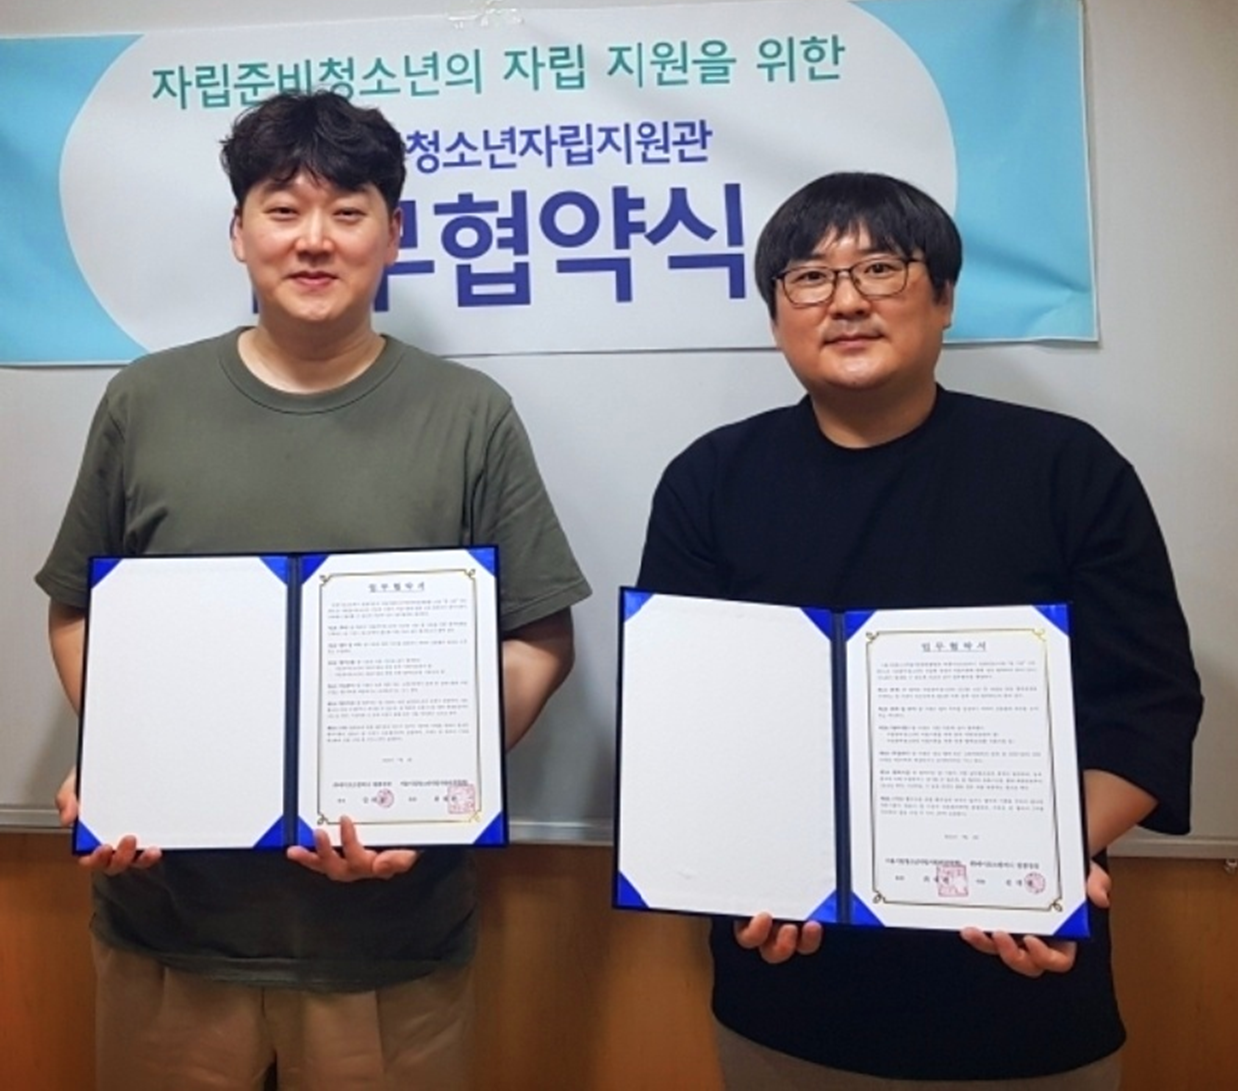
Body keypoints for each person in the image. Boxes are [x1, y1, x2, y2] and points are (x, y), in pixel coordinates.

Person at [37, 90, 590, 1089]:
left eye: (347, 210)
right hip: (172, 928)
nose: (314, 240)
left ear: (394, 233)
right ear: (238, 232)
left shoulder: (468, 414)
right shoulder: (145, 402)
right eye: (284, 209)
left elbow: (537, 637)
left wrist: (432, 795)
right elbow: (78, 609)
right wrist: (124, 757)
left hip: (389, 941)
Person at [636, 172, 1201, 1089]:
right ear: (776, 316)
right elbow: (684, 724)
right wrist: (740, 867)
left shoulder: (1066, 470)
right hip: (786, 991)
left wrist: (1045, 860)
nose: (845, 301)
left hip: (1019, 981)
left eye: (880, 269)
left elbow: (1149, 709)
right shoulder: (710, 481)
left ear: (943, 298)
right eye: (809, 278)